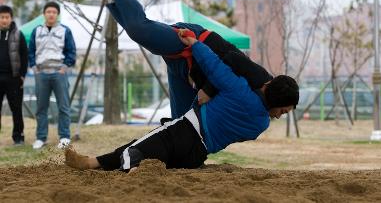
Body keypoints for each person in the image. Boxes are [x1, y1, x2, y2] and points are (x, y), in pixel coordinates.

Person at [65, 30, 298, 171]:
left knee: (135, 152)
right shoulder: (260, 125)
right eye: (283, 111)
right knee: (147, 148)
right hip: (196, 155)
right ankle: (93, 163)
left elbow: (214, 66)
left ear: (269, 85)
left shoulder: (237, 88)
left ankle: (110, 168)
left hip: (184, 132)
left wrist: (194, 43)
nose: (278, 115)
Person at [83, 0, 296, 120]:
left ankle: (113, 1)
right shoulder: (260, 77)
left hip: (187, 72)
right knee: (140, 30)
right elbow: (231, 59)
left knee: (182, 123)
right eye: (283, 111)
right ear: (275, 94)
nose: (279, 116)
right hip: (191, 42)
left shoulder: (258, 107)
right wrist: (210, 91)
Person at [28, 2, 76, 149]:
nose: (51, 14)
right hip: (41, 73)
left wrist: (65, 67)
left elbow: (71, 51)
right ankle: (41, 138)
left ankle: (64, 137)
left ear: (57, 14)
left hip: (59, 73)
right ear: (44, 14)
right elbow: (31, 51)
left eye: (54, 12)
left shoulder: (65, 31)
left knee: (63, 106)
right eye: (48, 11)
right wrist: (34, 68)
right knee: (41, 107)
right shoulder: (36, 31)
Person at [0, 5, 28, 145]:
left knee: (16, 109)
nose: (4, 20)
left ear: (11, 18)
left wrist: (22, 75)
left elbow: (24, 56)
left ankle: (18, 137)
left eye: (6, 17)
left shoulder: (18, 34)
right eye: (1, 17)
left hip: (14, 78)